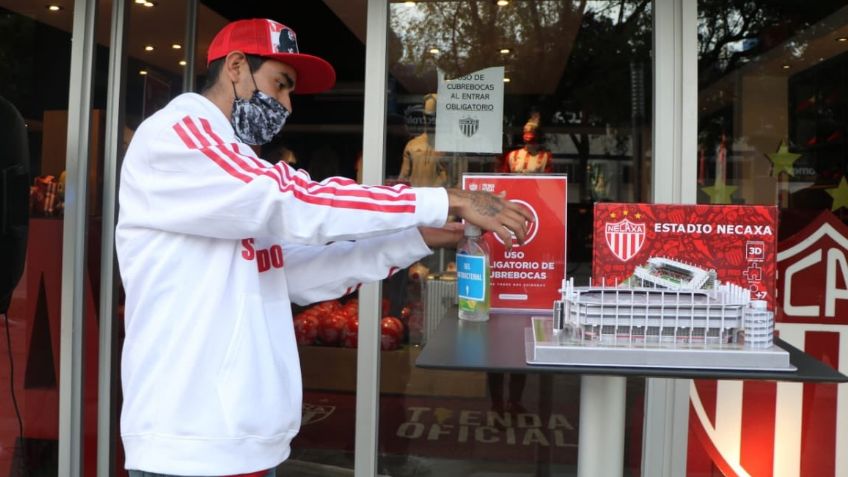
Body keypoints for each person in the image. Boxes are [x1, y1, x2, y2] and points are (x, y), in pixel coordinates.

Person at [115, 18, 532, 477]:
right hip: (187, 442)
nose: (287, 105)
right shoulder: (178, 134)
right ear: (235, 66)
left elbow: (297, 273)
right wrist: (443, 198)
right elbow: (295, 200)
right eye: (281, 84)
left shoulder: (234, 170)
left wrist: (418, 239)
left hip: (247, 442)